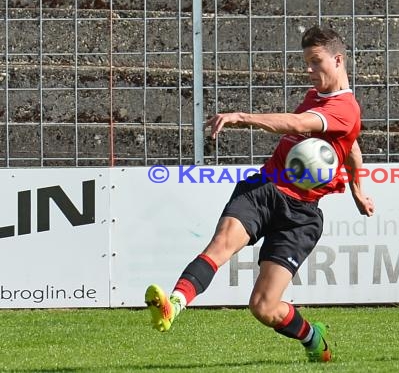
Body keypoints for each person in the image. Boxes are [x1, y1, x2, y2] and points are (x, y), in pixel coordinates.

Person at [144, 25, 375, 363]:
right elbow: (350, 145)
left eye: (315, 62)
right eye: (306, 63)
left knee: (264, 307)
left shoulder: (345, 108)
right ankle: (173, 305)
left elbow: (298, 126)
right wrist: (357, 189)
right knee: (219, 246)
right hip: (264, 189)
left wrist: (241, 117)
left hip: (300, 215)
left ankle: (314, 339)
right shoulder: (319, 97)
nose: (309, 71)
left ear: (337, 60)